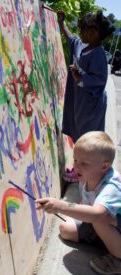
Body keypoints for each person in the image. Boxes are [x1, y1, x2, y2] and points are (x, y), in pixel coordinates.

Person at [36, 131, 121, 275]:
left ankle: (118, 259)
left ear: (104, 166)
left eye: (84, 163)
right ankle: (105, 242)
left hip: (110, 224)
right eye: (75, 160)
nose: (76, 166)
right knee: (65, 230)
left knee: (100, 220)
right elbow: (86, 201)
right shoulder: (89, 176)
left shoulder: (110, 187)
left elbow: (96, 214)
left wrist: (61, 206)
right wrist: (71, 214)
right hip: (101, 224)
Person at [57, 10, 115, 182]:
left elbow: (99, 79)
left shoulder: (98, 55)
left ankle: (81, 174)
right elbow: (71, 39)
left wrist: (81, 78)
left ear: (93, 33)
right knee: (78, 134)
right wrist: (61, 24)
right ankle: (80, 168)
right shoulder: (83, 45)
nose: (80, 33)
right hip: (79, 103)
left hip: (90, 107)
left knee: (87, 140)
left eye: (82, 30)